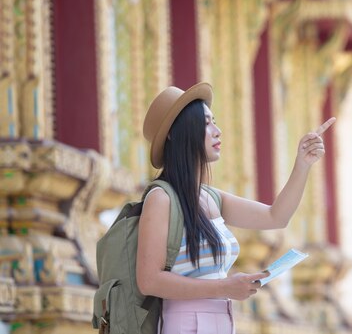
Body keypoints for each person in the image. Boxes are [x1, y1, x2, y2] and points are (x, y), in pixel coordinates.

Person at [136, 82, 335, 334]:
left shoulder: (211, 197)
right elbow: (148, 280)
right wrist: (224, 287)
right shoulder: (161, 198)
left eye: (214, 121)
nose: (217, 131)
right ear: (178, 133)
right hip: (185, 325)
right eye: (206, 123)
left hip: (222, 321)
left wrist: (303, 164)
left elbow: (276, 216)